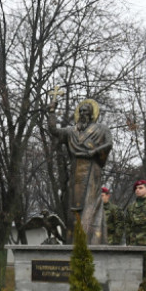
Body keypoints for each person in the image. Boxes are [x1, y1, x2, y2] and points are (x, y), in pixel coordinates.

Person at [47, 98, 113, 244]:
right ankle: (75, 239)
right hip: (76, 170)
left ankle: (92, 239)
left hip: (92, 172)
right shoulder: (72, 131)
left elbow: (109, 143)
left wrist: (95, 151)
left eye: (86, 111)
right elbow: (54, 131)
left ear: (91, 113)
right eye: (80, 111)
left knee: (91, 204)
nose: (82, 113)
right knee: (75, 206)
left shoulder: (101, 129)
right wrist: (51, 111)